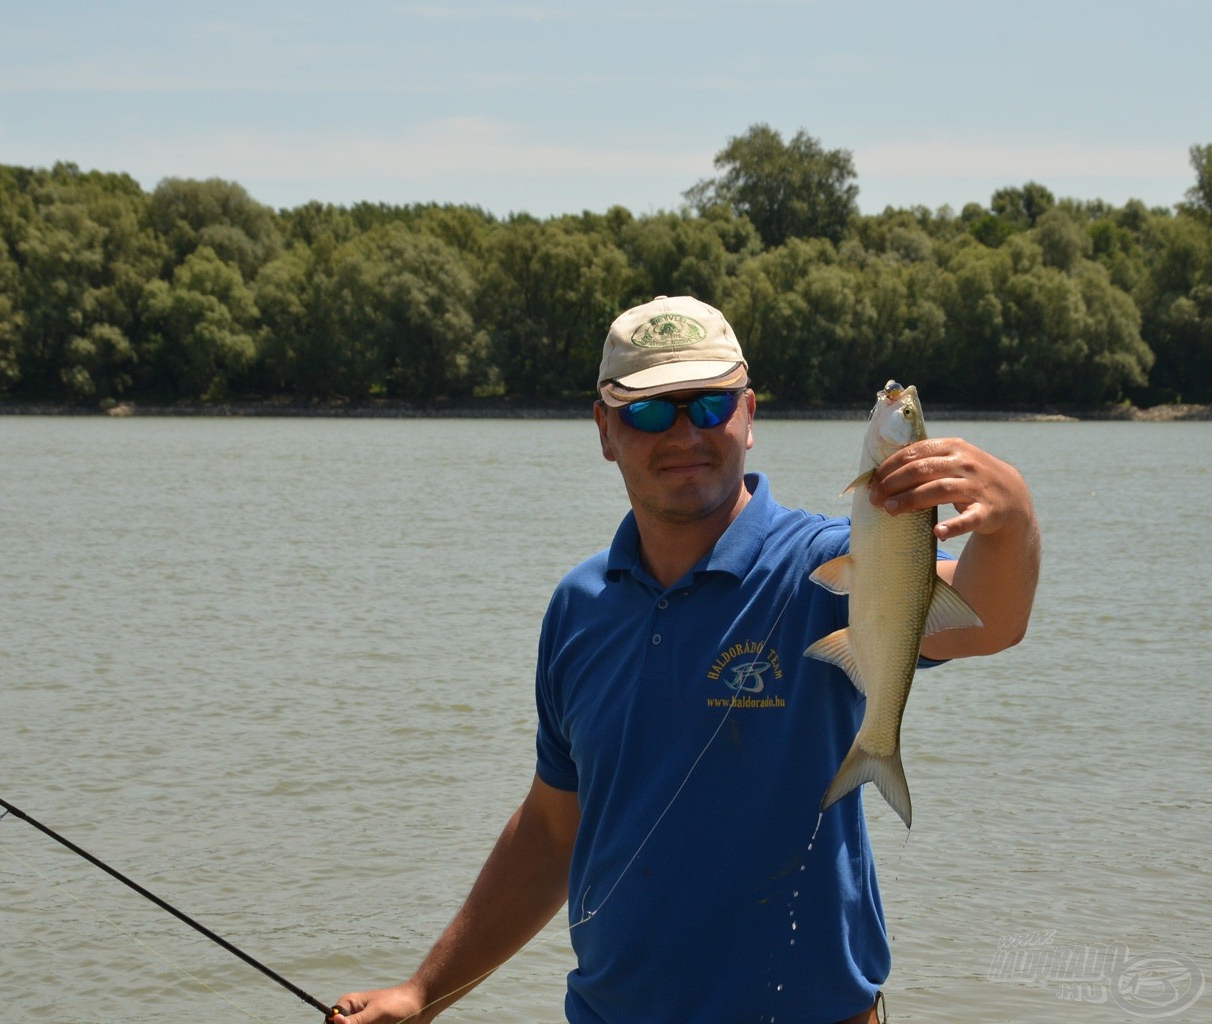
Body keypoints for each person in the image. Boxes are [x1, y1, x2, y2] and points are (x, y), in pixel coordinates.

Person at [329, 295, 1040, 1024]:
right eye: (647, 411)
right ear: (604, 430)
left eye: (708, 406)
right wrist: (423, 994)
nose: (683, 433)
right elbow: (551, 829)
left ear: (749, 415)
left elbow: (989, 622)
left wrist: (1010, 521)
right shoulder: (579, 606)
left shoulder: (826, 566)